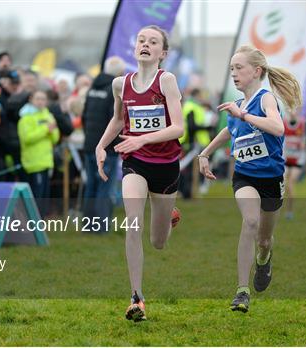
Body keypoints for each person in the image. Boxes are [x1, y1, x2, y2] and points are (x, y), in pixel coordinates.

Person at [198, 45, 302, 313]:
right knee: (250, 221)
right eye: (231, 68)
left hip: (271, 178)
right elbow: (228, 131)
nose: (233, 73)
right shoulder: (239, 106)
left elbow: (278, 128)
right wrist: (205, 153)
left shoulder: (265, 99)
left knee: (265, 239)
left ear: (256, 71)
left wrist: (242, 114)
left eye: (239, 68)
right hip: (244, 175)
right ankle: (241, 291)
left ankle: (264, 259)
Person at [95, 25, 184, 321]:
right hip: (135, 161)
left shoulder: (166, 80)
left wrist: (143, 137)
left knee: (158, 242)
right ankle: (136, 297)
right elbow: (119, 120)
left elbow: (179, 128)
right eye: (141, 40)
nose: (145, 44)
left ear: (163, 53)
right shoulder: (121, 84)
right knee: (132, 224)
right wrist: (101, 145)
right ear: (135, 48)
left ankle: (169, 216)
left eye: (153, 41)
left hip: (166, 165)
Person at [81, 56, 126, 230]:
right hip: (106, 148)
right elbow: (115, 120)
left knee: (91, 185)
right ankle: (100, 226)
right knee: (104, 186)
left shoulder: (92, 89)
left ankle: (88, 224)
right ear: (120, 73)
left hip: (89, 145)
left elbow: (84, 117)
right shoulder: (112, 91)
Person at [18, 90, 60, 215]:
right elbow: (27, 138)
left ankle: (40, 224)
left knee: (43, 196)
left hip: (47, 162)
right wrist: (45, 129)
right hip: (33, 163)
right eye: (38, 98)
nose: (41, 102)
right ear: (31, 99)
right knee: (35, 197)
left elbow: (55, 138)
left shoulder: (49, 116)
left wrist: (52, 131)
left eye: (43, 99)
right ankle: (33, 223)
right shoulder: (26, 118)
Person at [283, 107, 306, 220]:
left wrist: (303, 143)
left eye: (295, 109)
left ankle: (289, 210)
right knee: (285, 182)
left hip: (298, 158)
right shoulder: (283, 122)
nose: (292, 112)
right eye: (290, 109)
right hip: (286, 158)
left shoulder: (302, 123)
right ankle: (286, 207)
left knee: (291, 182)